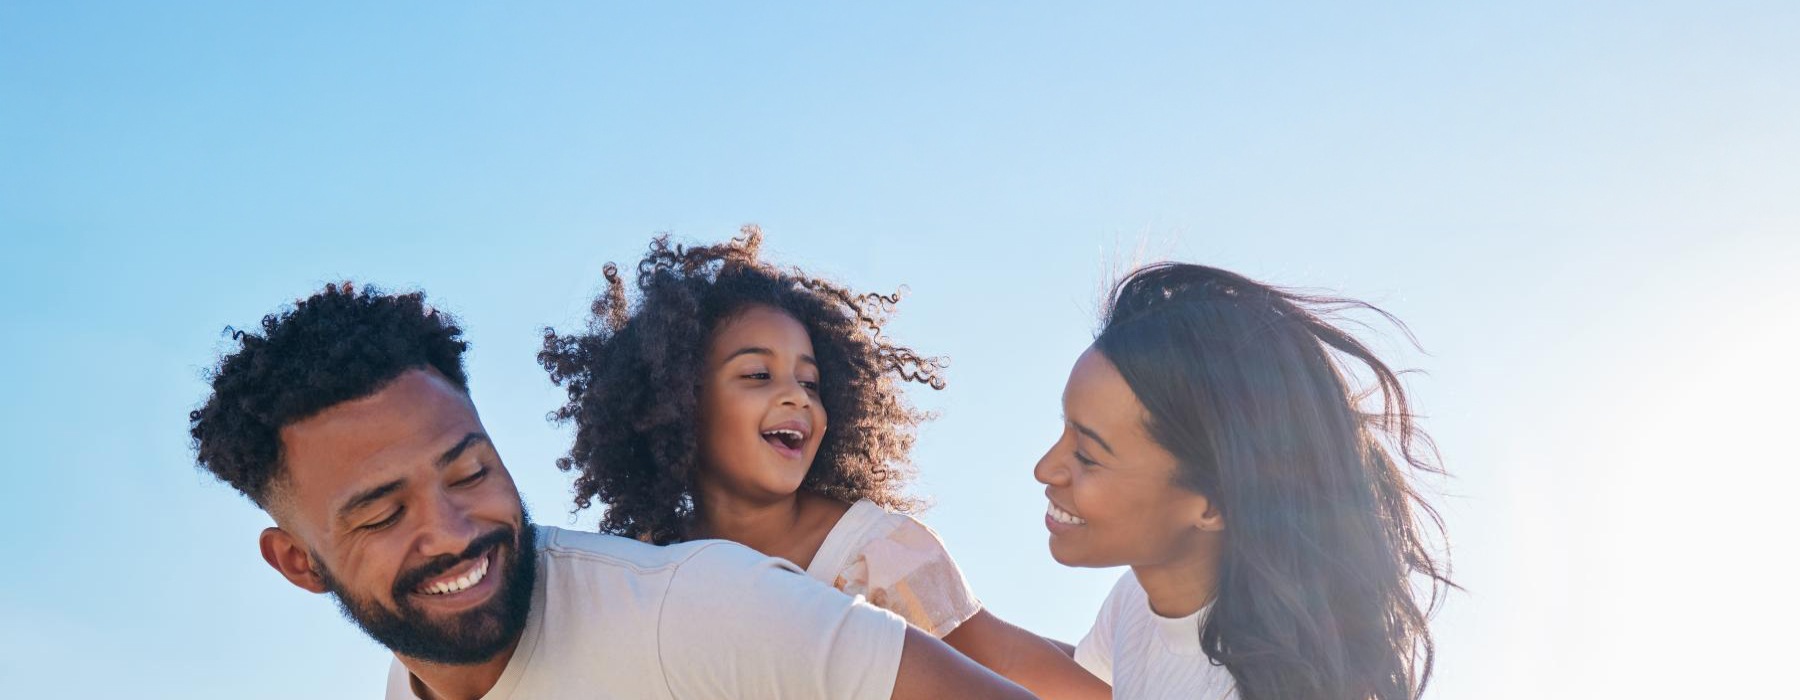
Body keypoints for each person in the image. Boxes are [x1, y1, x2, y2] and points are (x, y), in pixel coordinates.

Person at [188, 281, 1034, 700]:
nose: (451, 531)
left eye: (469, 471)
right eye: (381, 512)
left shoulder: (697, 607)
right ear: (298, 560)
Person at [539, 229, 1107, 699]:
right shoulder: (656, 568)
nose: (797, 398)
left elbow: (1007, 661)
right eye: (758, 375)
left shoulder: (877, 554)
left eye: (809, 381)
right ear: (677, 401)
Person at [1035, 263, 1454, 700]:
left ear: (1213, 505)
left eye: (1086, 455)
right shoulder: (1139, 604)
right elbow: (1068, 686)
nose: (1045, 469)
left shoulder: (1267, 688)